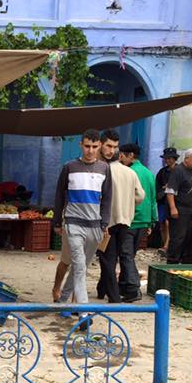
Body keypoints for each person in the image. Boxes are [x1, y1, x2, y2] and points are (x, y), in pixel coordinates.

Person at [53, 128, 112, 315]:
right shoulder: (69, 167)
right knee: (79, 265)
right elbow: (59, 196)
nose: (90, 150)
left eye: (94, 146)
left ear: (100, 146)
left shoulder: (105, 169)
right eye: (87, 146)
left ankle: (63, 303)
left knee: (81, 266)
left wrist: (104, 224)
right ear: (81, 145)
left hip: (95, 226)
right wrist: (56, 221)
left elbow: (108, 198)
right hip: (73, 223)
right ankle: (84, 312)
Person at [98, 131, 144, 303]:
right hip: (125, 221)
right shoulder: (130, 172)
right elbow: (140, 195)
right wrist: (129, 205)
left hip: (108, 221)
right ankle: (101, 289)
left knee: (107, 259)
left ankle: (114, 295)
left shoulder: (103, 170)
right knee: (114, 256)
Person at [120, 143, 157, 301]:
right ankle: (123, 285)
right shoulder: (148, 173)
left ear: (130, 156)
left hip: (131, 219)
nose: (120, 158)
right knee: (130, 254)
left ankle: (134, 289)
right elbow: (153, 198)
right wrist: (152, 221)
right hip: (144, 220)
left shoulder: (128, 172)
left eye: (122, 155)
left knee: (126, 255)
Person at [164, 148, 192, 263]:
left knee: (186, 236)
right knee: (178, 237)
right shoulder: (178, 170)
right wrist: (173, 208)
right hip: (179, 208)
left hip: (189, 209)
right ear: (187, 159)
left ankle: (180, 260)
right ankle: (172, 261)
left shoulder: (190, 171)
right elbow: (170, 191)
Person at [155, 148, 178, 252]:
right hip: (162, 200)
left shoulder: (179, 171)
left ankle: (167, 245)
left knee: (169, 223)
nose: (168, 160)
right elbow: (157, 186)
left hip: (173, 201)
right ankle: (164, 243)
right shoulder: (162, 172)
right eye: (166, 158)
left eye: (170, 158)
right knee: (162, 223)